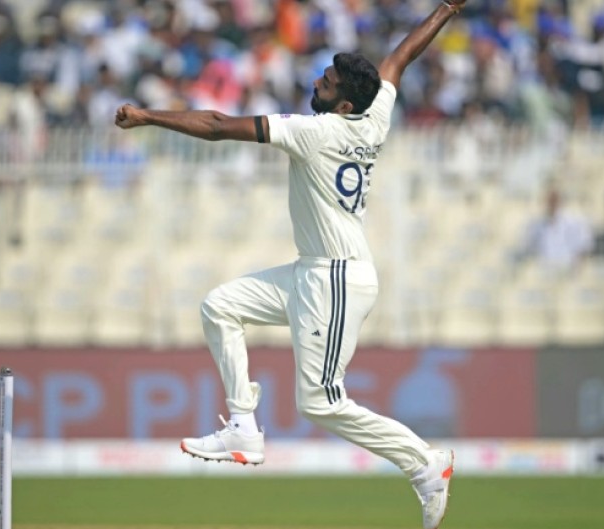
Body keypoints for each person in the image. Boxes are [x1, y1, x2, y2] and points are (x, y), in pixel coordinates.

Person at [115, 2, 465, 528]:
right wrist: (447, 8)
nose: (318, 81)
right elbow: (399, 58)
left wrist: (148, 117)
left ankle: (425, 464)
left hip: (337, 277)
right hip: (311, 271)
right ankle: (242, 428)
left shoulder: (316, 132)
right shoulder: (375, 113)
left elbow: (214, 125)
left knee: (321, 403)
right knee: (220, 307)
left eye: (328, 82)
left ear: (344, 104)